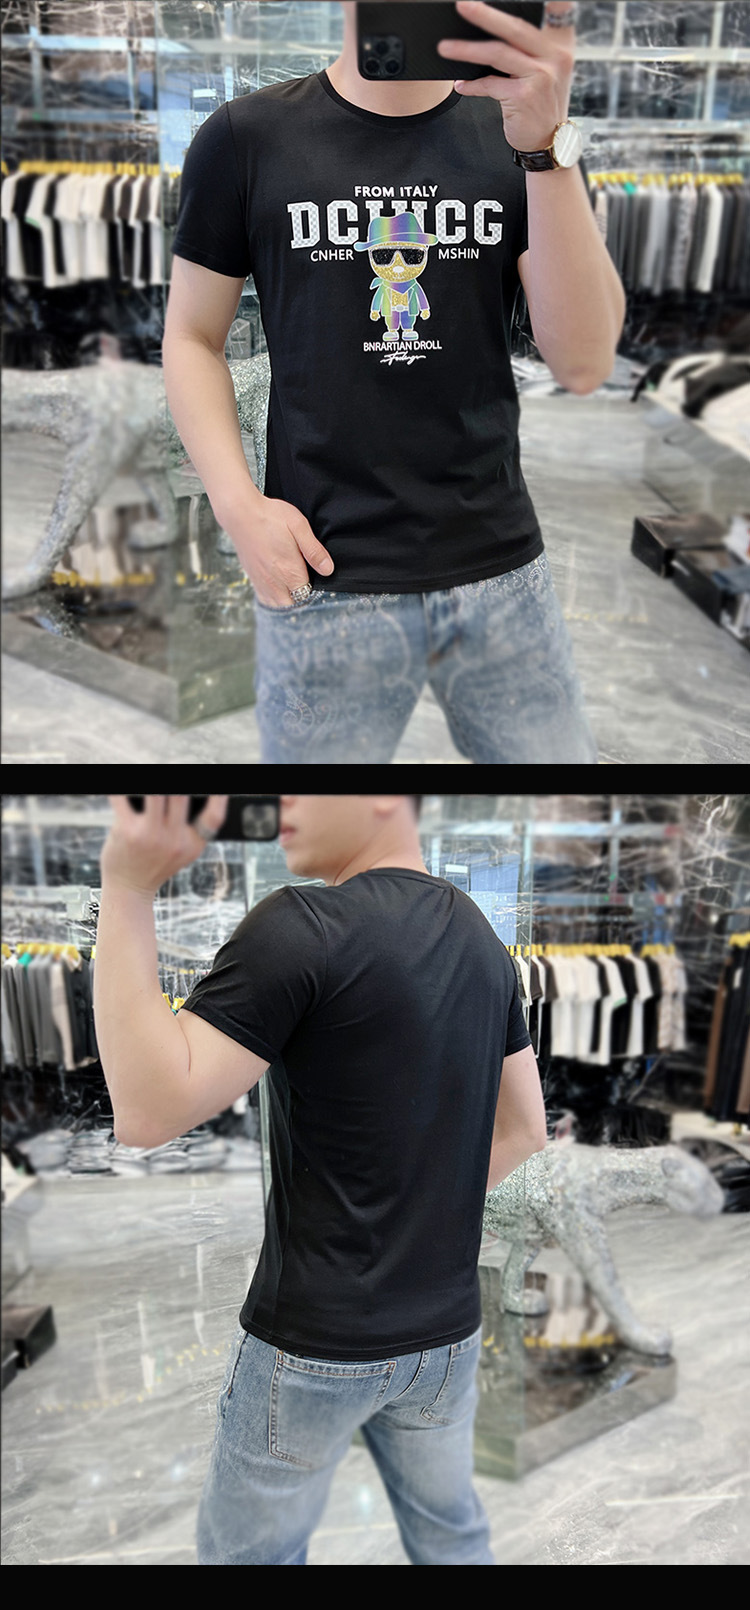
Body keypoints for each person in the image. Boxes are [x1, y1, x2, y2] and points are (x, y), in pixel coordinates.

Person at [163, 1, 624, 764]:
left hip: (497, 561)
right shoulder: (247, 136)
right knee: (319, 816)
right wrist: (236, 506)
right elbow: (191, 337)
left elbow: (584, 363)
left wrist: (547, 150)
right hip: (321, 567)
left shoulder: (519, 132)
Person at [94, 794, 548, 1565]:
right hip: (446, 1336)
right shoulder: (481, 938)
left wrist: (129, 887)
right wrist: (421, 1216)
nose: (284, 805)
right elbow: (526, 1128)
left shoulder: (302, 925)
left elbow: (146, 1111)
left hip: (315, 1343)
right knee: (452, 1539)